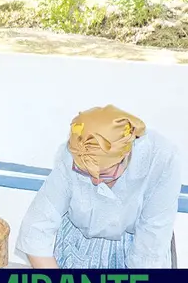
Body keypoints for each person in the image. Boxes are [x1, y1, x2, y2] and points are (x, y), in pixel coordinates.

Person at [17, 105, 181, 273]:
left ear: (125, 156)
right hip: (79, 246)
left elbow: (150, 246)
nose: (95, 182)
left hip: (139, 245)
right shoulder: (75, 152)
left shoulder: (162, 160)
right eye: (85, 173)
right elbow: (36, 227)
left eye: (105, 174)